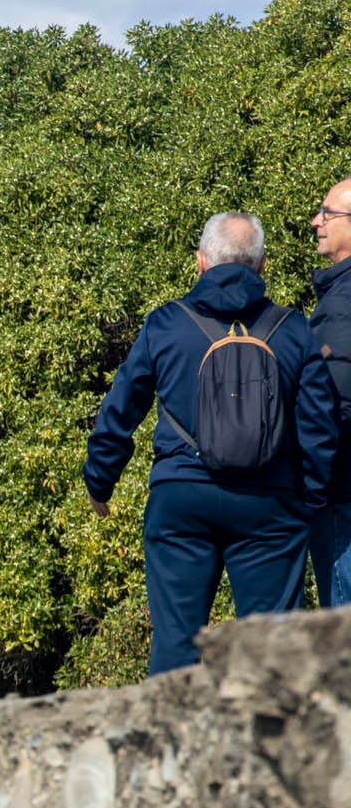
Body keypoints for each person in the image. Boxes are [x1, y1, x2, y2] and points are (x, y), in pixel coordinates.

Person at [84, 212, 337, 673]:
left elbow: (121, 408)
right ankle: (263, 744)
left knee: (177, 647)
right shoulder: (293, 329)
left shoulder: (166, 324)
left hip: (181, 497)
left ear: (201, 262)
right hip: (269, 506)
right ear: (260, 265)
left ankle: (174, 742)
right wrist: (312, 497)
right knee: (268, 654)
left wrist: (100, 480)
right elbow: (318, 426)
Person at [308, 179, 351, 606]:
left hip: (342, 493)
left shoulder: (343, 304)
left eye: (327, 213)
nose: (316, 221)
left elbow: (333, 401)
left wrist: (313, 483)